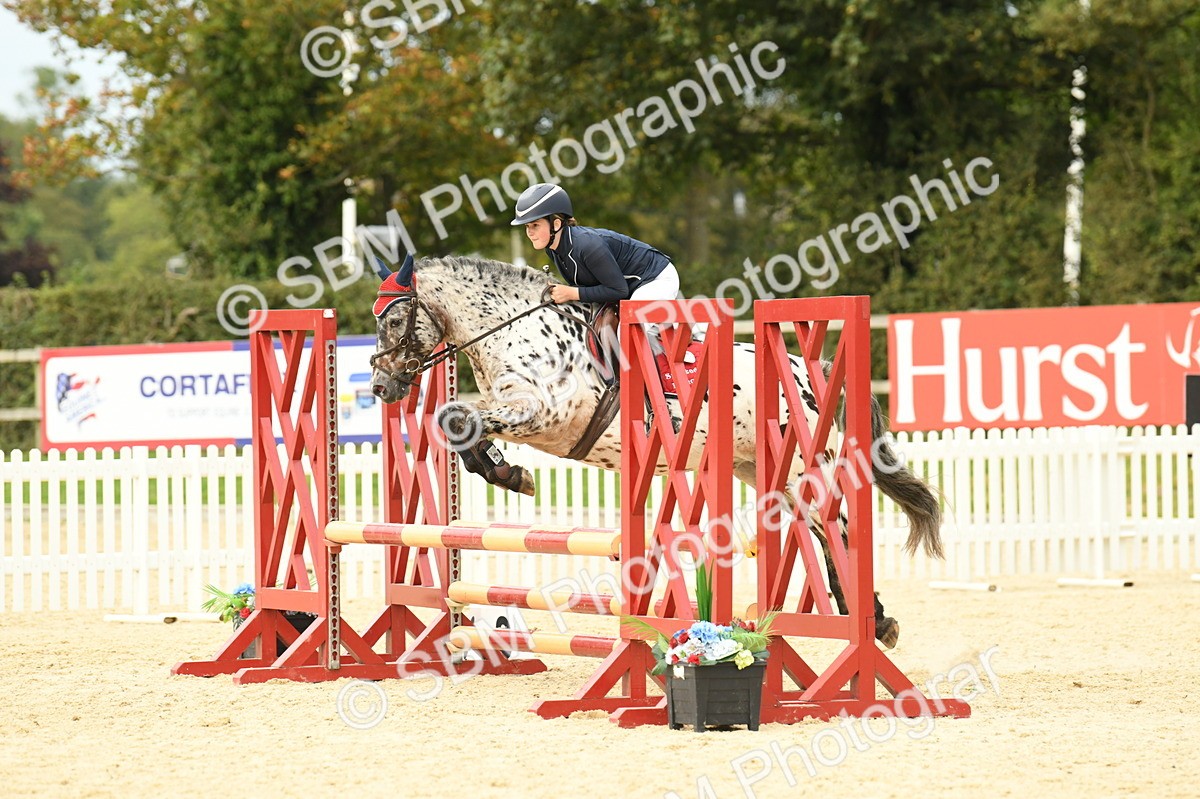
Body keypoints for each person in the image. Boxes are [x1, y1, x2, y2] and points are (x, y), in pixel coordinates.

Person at [511, 183, 681, 308]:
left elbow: (618, 290)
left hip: (655, 278)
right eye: (527, 226)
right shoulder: (553, 249)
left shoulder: (588, 246)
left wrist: (571, 293)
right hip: (631, 288)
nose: (529, 232)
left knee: (628, 329)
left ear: (556, 224)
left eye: (535, 225)